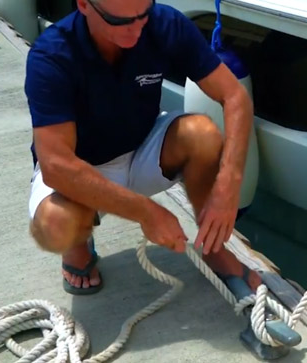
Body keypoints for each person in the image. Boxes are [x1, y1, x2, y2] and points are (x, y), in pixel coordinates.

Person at [24, 0, 261, 295]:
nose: (136, 29)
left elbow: (234, 97)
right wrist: (147, 213)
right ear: (84, 5)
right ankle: (78, 249)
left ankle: (213, 249)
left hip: (142, 147)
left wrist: (229, 183)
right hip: (80, 171)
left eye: (143, 15)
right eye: (120, 21)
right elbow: (56, 167)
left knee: (201, 133)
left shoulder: (164, 23)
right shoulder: (51, 55)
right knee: (54, 225)